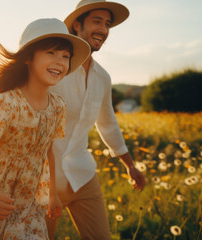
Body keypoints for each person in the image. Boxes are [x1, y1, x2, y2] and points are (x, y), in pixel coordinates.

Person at [0, 18, 90, 239]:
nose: (60, 61)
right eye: (51, 53)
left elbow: (47, 151)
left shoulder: (58, 106)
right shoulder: (6, 103)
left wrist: (52, 194)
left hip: (29, 208)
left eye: (65, 56)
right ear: (29, 57)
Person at [46, 1, 147, 239]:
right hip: (44, 179)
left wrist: (129, 164)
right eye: (97, 21)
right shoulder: (55, 68)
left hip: (83, 174)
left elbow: (107, 122)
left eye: (107, 24)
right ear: (77, 24)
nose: (103, 29)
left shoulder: (103, 77)